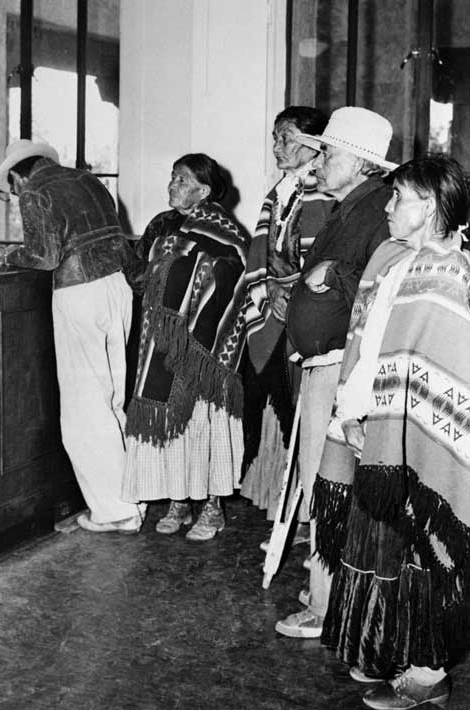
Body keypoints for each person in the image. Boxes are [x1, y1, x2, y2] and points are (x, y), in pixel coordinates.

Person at [314, 156, 470, 709]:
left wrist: (382, 421)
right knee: (380, 541)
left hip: (418, 438)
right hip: (373, 421)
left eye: (399, 197)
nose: (387, 207)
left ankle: (428, 674)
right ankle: (383, 647)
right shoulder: (392, 256)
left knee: (420, 548)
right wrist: (352, 412)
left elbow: (434, 365)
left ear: (429, 205)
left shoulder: (449, 272)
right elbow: (369, 341)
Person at [275, 106, 396, 640]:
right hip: (322, 364)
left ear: (363, 163)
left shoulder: (376, 212)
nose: (319, 160)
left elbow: (384, 282)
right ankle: (327, 595)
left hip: (341, 372)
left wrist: (334, 275)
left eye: (329, 152)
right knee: (325, 485)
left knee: (328, 487)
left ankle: (325, 609)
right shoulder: (350, 206)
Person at [0, 139, 142, 533]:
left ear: (19, 175)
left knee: (84, 407)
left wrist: (2, 255)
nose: (17, 194)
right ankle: (129, 498)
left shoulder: (35, 191)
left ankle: (115, 511)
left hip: (79, 292)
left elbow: (43, 257)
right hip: (117, 287)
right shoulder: (86, 179)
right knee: (112, 398)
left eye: (13, 188)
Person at [122, 153, 249, 542]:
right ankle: (179, 501)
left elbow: (234, 279)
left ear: (204, 190)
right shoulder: (163, 223)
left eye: (180, 179)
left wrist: (192, 279)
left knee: (204, 422)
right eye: (172, 177)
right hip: (160, 342)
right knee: (173, 425)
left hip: (204, 348)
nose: (172, 185)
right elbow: (140, 269)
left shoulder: (226, 228)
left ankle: (212, 506)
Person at [238, 106, 333, 522]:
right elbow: (263, 253)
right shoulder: (281, 191)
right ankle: (289, 509)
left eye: (286, 138)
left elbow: (326, 261)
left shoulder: (328, 194)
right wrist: (271, 289)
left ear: (314, 145)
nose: (276, 146)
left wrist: (291, 294)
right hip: (274, 315)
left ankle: (313, 515)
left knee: (307, 414)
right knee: (278, 404)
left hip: (309, 320)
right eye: (275, 137)